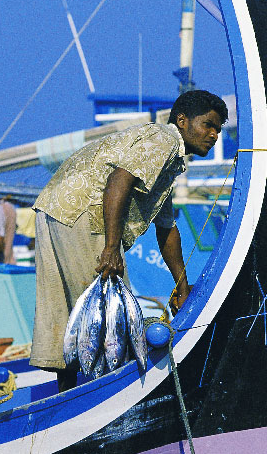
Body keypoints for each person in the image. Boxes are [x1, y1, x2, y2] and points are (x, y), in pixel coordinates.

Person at [30, 89, 227, 391]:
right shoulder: (164, 140)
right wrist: (111, 248)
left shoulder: (167, 158)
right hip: (84, 212)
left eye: (218, 130)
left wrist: (182, 286)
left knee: (69, 315)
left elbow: (167, 228)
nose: (213, 135)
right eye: (208, 125)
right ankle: (106, 395)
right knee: (110, 313)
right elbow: (119, 180)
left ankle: (68, 395)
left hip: (57, 208)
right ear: (182, 121)